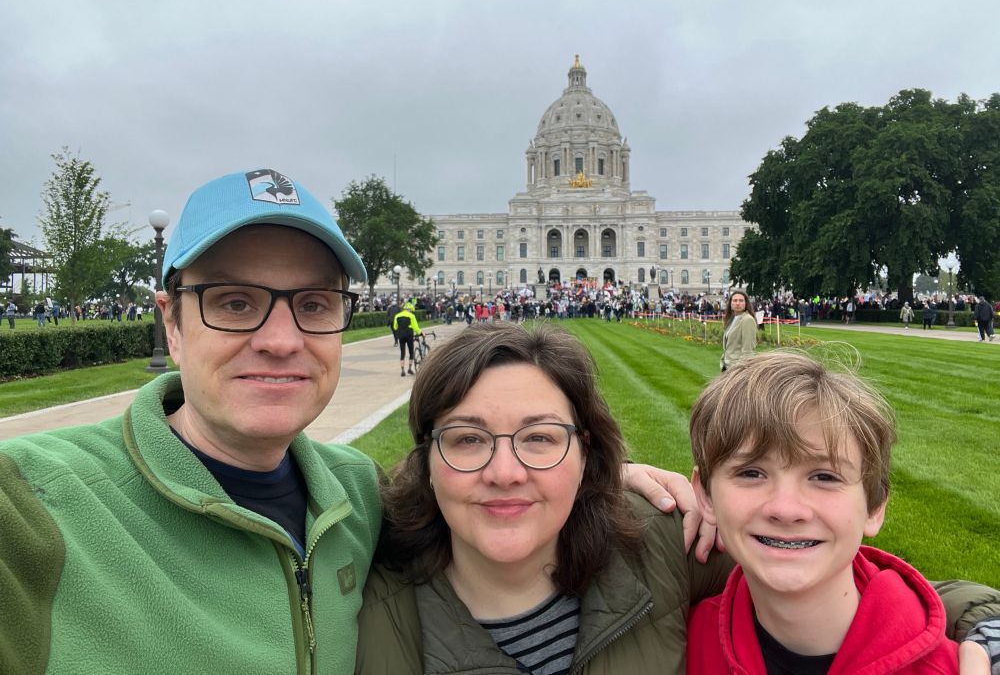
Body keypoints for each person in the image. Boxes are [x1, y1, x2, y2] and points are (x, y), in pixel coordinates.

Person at [0, 169, 382, 673]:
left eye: (314, 304)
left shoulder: (361, 496)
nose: (283, 341)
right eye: (236, 302)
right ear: (171, 325)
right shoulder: (33, 503)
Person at [357, 323, 733, 673]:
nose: (504, 474)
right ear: (427, 461)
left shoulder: (667, 539)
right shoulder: (353, 602)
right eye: (468, 439)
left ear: (584, 454)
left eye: (539, 438)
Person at [687, 351, 999, 674]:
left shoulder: (949, 668)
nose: (785, 508)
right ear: (705, 496)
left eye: (825, 477)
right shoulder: (683, 647)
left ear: (875, 507)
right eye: (751, 473)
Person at [721, 290, 757, 372]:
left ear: (746, 303)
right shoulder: (732, 319)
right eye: (735, 300)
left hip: (737, 370)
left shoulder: (747, 320)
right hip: (727, 367)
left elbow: (748, 351)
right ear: (730, 304)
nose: (737, 303)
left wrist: (740, 372)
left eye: (741, 301)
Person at [393, 300, 422, 376]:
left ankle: (402, 370)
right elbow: (416, 327)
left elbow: (395, 327)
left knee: (402, 352)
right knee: (411, 352)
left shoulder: (397, 316)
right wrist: (420, 333)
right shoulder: (411, 316)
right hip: (409, 334)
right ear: (409, 309)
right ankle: (409, 369)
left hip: (401, 335)